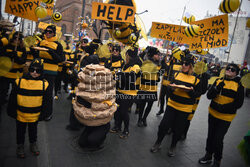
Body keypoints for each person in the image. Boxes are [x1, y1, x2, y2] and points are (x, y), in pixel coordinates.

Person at [150, 53, 202, 157]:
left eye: (186, 64)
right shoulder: (177, 75)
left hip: (185, 108)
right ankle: (158, 142)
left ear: (191, 66)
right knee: (163, 126)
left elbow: (196, 95)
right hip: (172, 105)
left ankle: (173, 146)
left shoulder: (196, 79)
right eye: (182, 63)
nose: (183, 65)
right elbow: (169, 90)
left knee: (178, 130)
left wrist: (190, 91)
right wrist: (171, 89)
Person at [199, 63, 244, 167]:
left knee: (218, 139)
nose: (229, 70)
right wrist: (217, 88)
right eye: (228, 68)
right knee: (210, 136)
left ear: (236, 73)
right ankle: (208, 155)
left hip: (226, 117)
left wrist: (223, 108)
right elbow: (209, 96)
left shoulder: (239, 85)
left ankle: (217, 160)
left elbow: (238, 103)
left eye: (233, 70)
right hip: (213, 113)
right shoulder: (218, 80)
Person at [7, 58, 49, 158]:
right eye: (32, 70)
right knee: (20, 130)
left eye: (38, 71)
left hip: (35, 115)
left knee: (33, 130)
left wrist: (45, 114)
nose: (34, 72)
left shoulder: (44, 84)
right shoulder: (19, 81)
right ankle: (20, 145)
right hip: (20, 113)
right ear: (29, 70)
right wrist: (11, 111)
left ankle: (33, 144)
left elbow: (47, 101)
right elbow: (12, 98)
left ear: (41, 72)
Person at [32, 25, 65, 121]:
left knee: (47, 94)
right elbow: (37, 55)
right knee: (38, 92)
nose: (47, 33)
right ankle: (38, 111)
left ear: (54, 33)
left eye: (50, 31)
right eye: (46, 31)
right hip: (39, 71)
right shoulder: (42, 42)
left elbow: (60, 59)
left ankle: (47, 114)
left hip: (51, 73)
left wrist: (51, 52)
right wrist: (32, 49)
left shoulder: (58, 45)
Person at [110, 47, 141, 138]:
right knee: (117, 110)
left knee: (123, 112)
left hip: (129, 94)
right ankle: (117, 127)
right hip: (120, 91)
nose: (125, 57)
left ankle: (126, 130)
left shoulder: (135, 67)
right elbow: (121, 78)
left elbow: (130, 79)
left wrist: (120, 75)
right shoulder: (125, 65)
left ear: (130, 56)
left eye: (126, 55)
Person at [137, 46, 161, 127]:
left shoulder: (158, 64)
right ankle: (140, 119)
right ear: (153, 55)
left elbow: (158, 77)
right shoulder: (146, 63)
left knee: (150, 105)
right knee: (142, 105)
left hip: (153, 88)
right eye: (157, 55)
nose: (158, 56)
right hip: (144, 87)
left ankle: (144, 118)